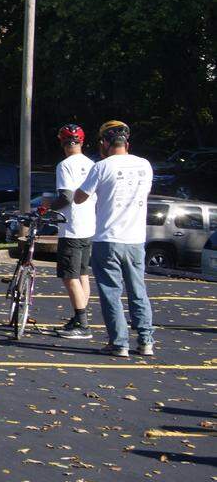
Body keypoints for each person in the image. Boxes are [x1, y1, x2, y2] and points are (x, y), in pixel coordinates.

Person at [74, 120, 154, 358]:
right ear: (127, 143)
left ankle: (119, 343)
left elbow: (80, 197)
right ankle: (146, 340)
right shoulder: (145, 165)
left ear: (105, 143)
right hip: (136, 238)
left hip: (108, 238)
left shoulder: (102, 166)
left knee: (111, 292)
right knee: (138, 290)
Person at [48, 124, 96, 339]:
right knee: (83, 274)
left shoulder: (65, 165)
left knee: (69, 276)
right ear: (82, 142)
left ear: (62, 143)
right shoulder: (92, 164)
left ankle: (82, 323)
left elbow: (66, 197)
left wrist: (48, 208)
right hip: (89, 226)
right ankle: (80, 316)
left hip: (71, 226)